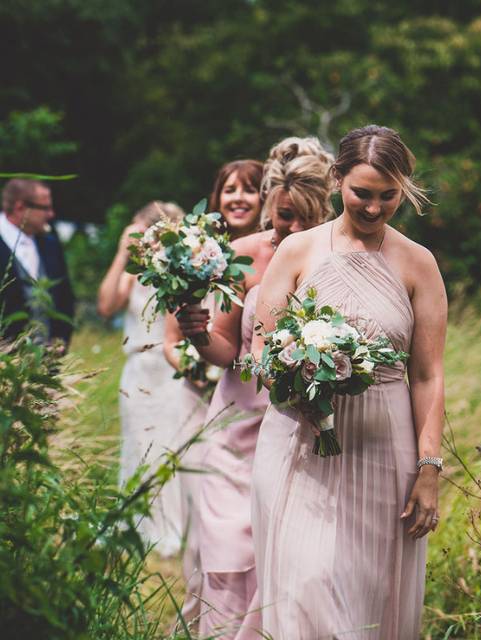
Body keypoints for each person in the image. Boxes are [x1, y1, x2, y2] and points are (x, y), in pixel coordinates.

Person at [249, 125, 447, 639]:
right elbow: (261, 351)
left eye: (389, 196)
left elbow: (426, 375)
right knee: (309, 585)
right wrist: (297, 385)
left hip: (385, 448)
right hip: (304, 443)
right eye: (363, 193)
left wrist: (430, 467)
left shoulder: (419, 265)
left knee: (365, 597)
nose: (375, 208)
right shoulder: (297, 251)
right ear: (337, 180)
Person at [175, 137, 335, 639]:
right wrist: (198, 334)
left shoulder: (338, 260)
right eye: (283, 215)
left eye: (304, 218)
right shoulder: (241, 255)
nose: (292, 229)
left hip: (300, 427)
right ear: (269, 203)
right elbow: (226, 346)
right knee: (226, 545)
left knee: (288, 554)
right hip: (236, 421)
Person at [161, 158, 264, 628]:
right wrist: (193, 366)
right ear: (216, 197)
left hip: (257, 399)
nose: (239, 198)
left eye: (250, 189)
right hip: (201, 391)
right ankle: (205, 611)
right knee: (210, 512)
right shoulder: (196, 252)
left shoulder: (274, 253)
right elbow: (171, 338)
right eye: (230, 190)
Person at [97, 200, 187, 557]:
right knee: (136, 444)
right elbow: (105, 306)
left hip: (170, 370)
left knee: (170, 446)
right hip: (137, 369)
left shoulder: (179, 272)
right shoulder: (132, 271)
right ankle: (135, 523)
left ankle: (169, 526)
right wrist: (122, 254)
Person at [0, 178, 74, 346]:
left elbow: (65, 298)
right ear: (20, 208)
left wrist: (60, 342)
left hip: (46, 361)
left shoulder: (50, 244)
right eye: (45, 208)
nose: (51, 214)